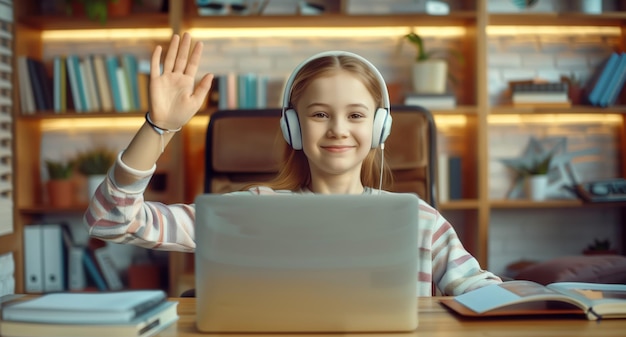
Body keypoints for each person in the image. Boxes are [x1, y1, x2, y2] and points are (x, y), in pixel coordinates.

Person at [84, 33, 502, 296]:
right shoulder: (252, 212)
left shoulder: (420, 221)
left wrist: (554, 299)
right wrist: (159, 128)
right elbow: (110, 221)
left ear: (378, 128)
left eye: (356, 115)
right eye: (319, 114)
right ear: (293, 128)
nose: (338, 129)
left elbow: (482, 293)